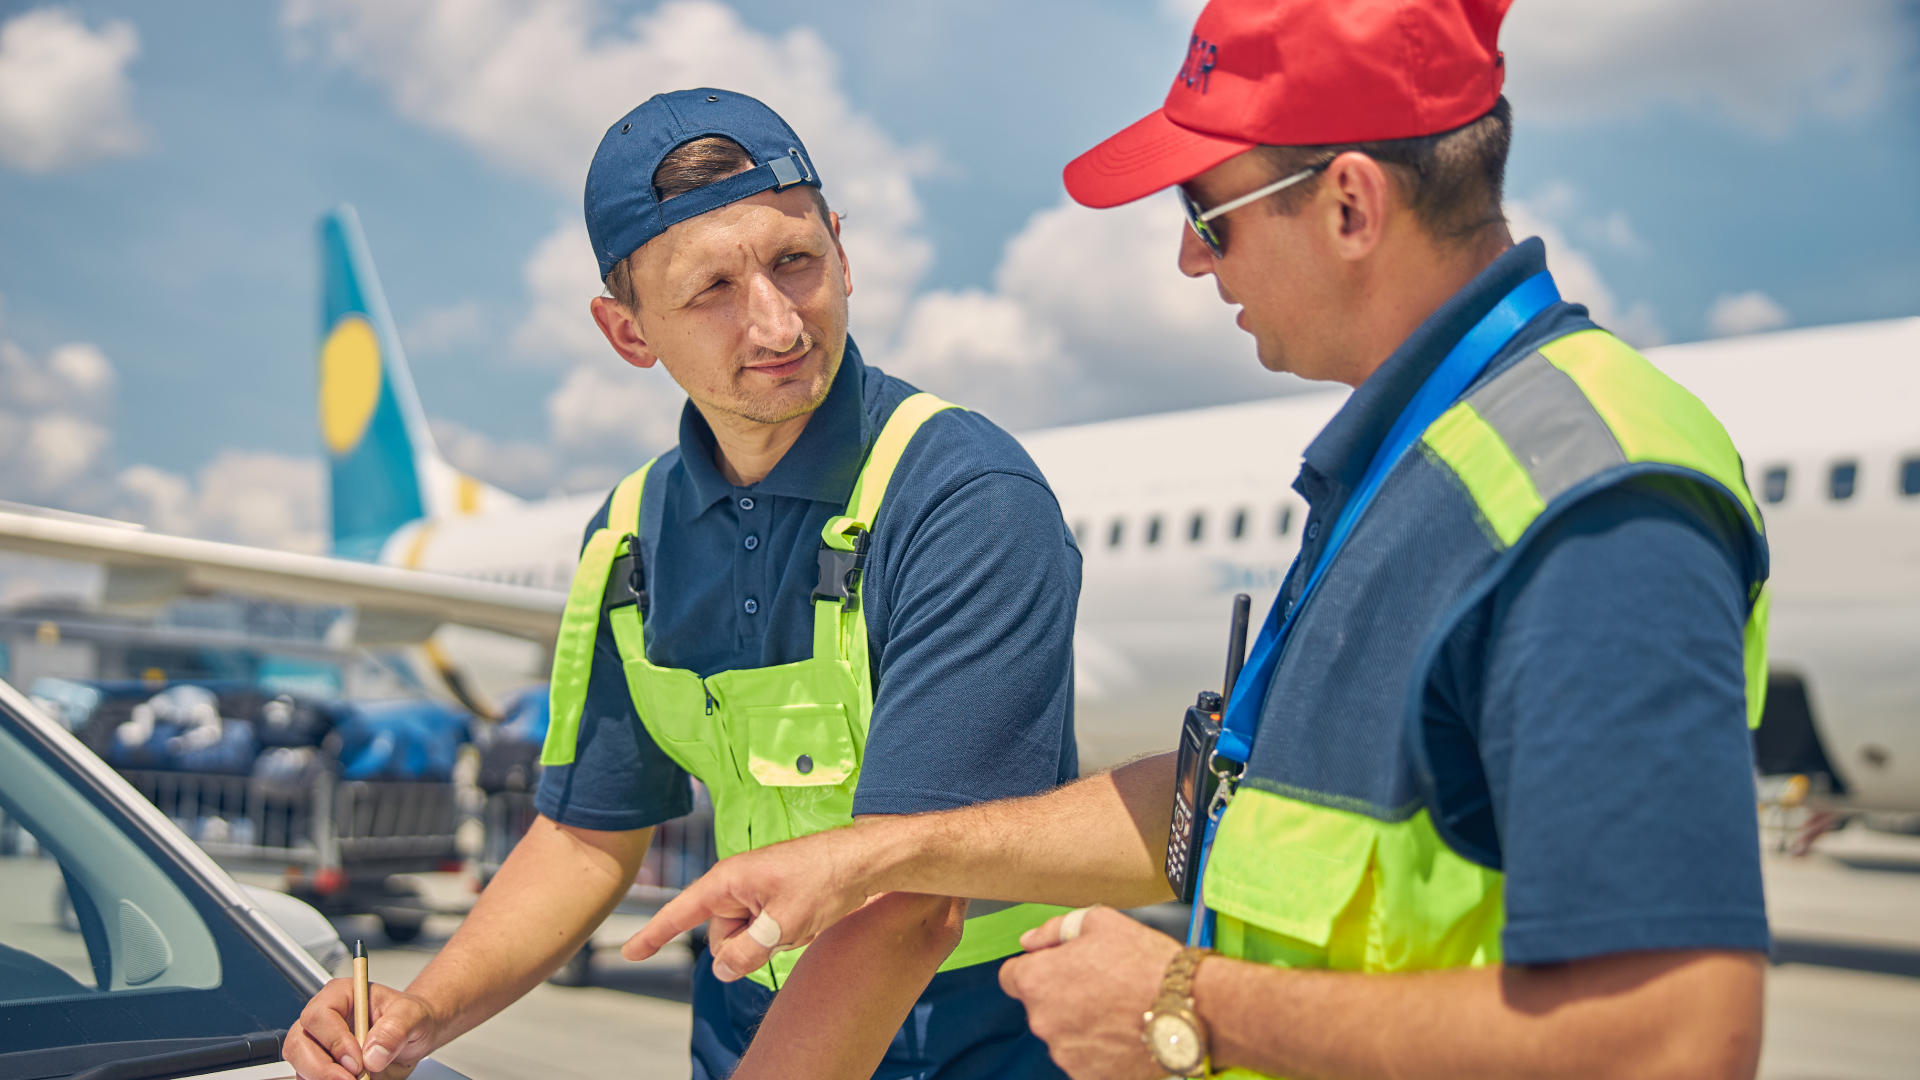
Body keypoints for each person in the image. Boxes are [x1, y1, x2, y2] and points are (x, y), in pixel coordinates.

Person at [626, 3, 1774, 1078]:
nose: (1188, 259)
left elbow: (1673, 1031)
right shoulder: (1415, 464)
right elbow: (1247, 802)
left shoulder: (1580, 496)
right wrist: (875, 856)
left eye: (1205, 214)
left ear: (1350, 207)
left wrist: (1181, 1002)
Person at [283, 89, 1080, 1080]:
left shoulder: (961, 493)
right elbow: (585, 837)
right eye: (712, 289)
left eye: (797, 261)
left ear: (842, 244)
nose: (780, 323)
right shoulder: (627, 536)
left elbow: (914, 901)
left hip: (981, 1031)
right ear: (627, 332)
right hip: (754, 1017)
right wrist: (420, 1012)